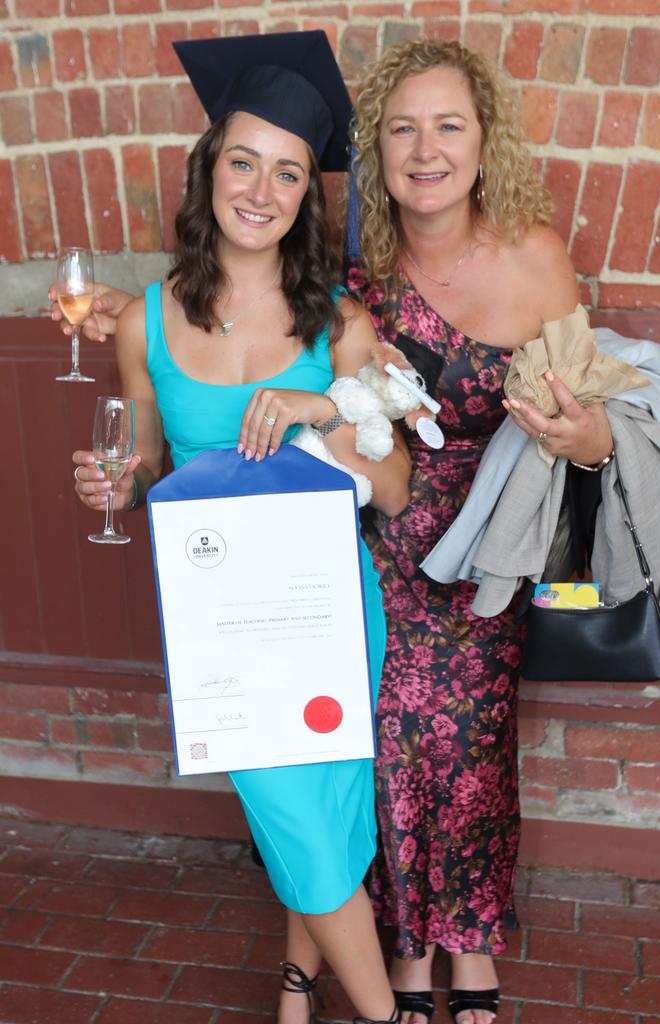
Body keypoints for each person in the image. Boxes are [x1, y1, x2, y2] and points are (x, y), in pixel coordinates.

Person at [70, 31, 411, 1024]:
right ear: (210, 167)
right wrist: (113, 479)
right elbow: (141, 467)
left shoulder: (339, 327)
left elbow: (391, 488)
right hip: (227, 620)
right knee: (301, 822)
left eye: (289, 172)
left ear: (310, 192)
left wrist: (320, 410)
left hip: (330, 612)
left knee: (324, 823)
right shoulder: (146, 321)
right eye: (243, 162)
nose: (260, 190)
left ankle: (300, 982)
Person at [344, 38, 615, 1024]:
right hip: (376, 540)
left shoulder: (534, 257)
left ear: (482, 137)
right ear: (377, 147)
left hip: (487, 553)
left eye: (447, 124)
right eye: (402, 127)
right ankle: (409, 949)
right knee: (387, 746)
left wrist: (579, 430)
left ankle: (469, 941)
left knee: (473, 744)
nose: (426, 149)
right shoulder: (357, 272)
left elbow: (595, 431)